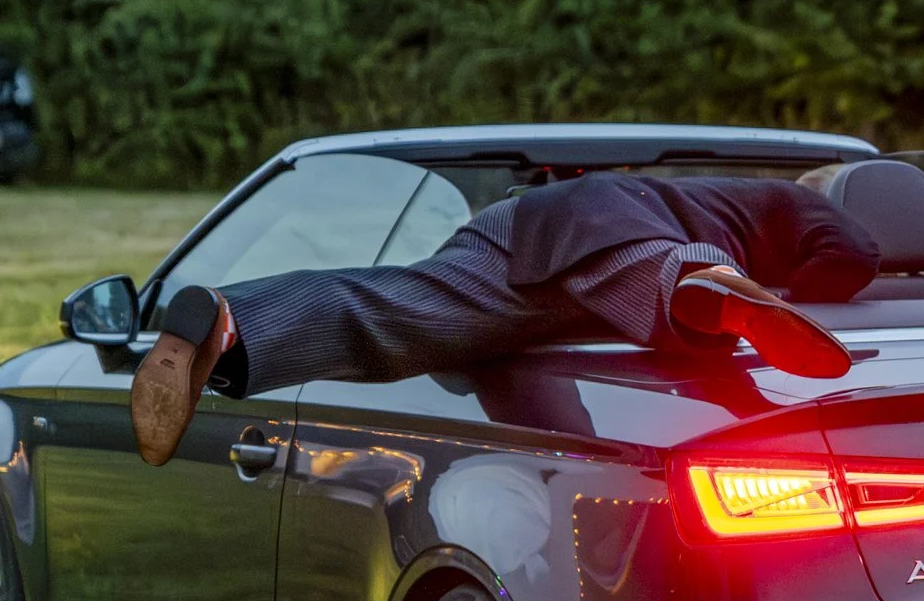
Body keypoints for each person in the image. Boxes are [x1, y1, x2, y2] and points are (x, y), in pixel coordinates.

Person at [130, 171, 880, 465]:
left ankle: (232, 323)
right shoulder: (805, 202)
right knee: (653, 269)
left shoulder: (715, 185)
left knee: (397, 311)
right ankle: (713, 290)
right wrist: (799, 293)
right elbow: (849, 255)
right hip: (620, 226)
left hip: (515, 230)